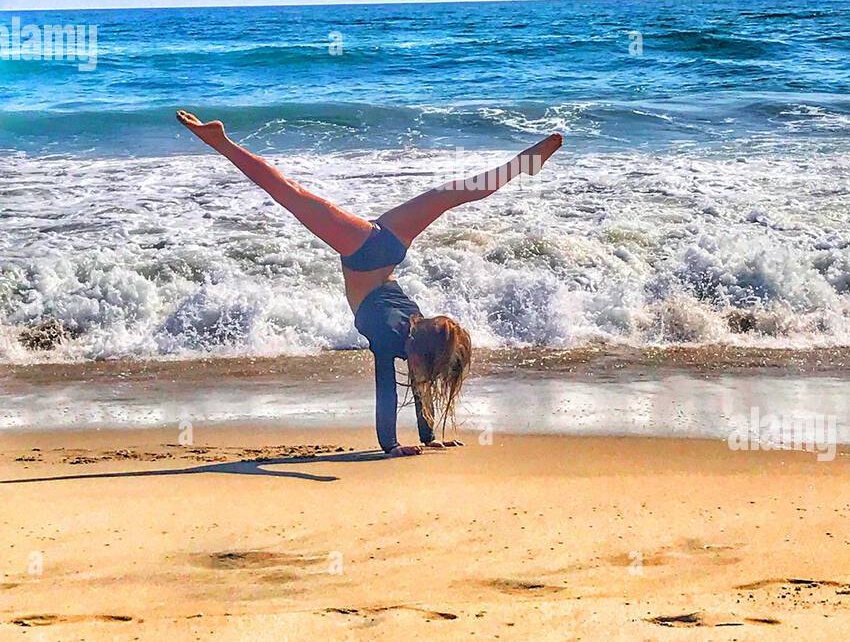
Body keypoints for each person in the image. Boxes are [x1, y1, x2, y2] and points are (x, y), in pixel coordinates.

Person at [176, 111, 563, 455]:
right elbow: (387, 388)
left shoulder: (417, 334)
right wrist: (390, 446)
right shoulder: (389, 336)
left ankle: (524, 165)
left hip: (390, 246)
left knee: (457, 193)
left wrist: (429, 440)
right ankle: (220, 141)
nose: (424, 376)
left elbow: (418, 382)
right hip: (362, 253)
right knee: (290, 195)